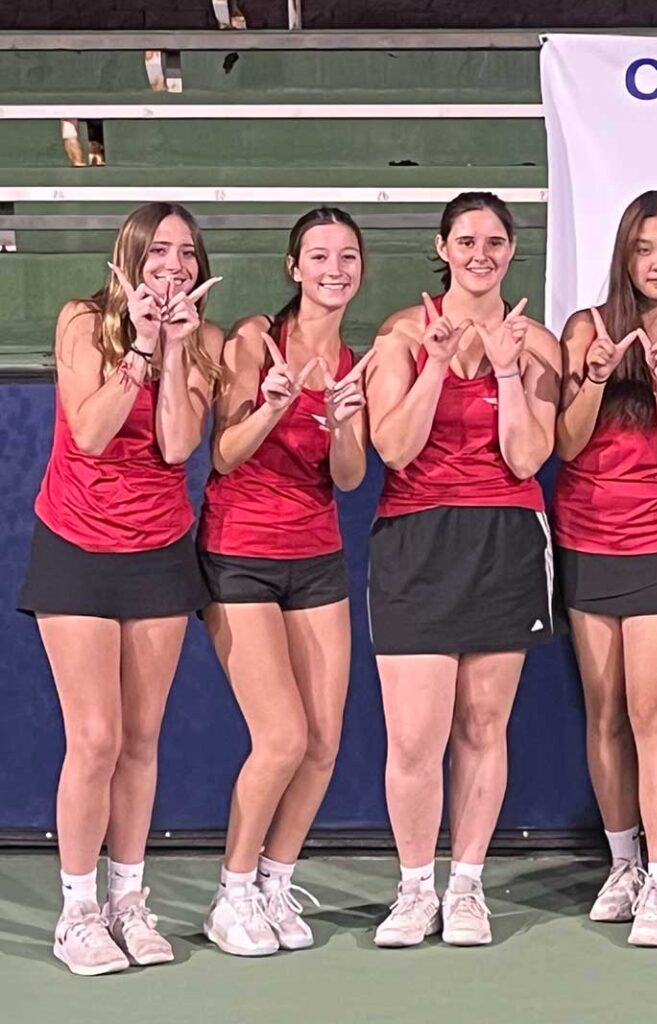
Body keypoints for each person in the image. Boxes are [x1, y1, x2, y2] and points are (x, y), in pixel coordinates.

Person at [19, 202, 223, 976]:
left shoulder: (203, 340)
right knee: (96, 737)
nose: (173, 265)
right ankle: (77, 912)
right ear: (131, 256)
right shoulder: (84, 321)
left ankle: (127, 901)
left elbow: (175, 444)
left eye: (186, 255)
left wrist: (172, 349)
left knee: (140, 738)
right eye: (160, 251)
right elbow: (93, 429)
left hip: (160, 551)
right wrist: (138, 344)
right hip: (75, 544)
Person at [362, 192, 562, 949]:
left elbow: (526, 457)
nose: (481, 254)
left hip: (505, 537)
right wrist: (439, 363)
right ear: (442, 248)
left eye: (495, 242)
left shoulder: (537, 344)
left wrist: (509, 373)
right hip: (416, 539)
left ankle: (468, 887)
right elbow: (395, 449)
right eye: (467, 240)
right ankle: (416, 889)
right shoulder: (400, 338)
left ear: (513, 252)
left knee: (483, 724)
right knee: (415, 736)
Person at [198, 207, 370, 956]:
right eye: (320, 257)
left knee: (324, 743)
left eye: (348, 257)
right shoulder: (251, 341)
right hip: (238, 552)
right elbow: (227, 455)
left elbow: (352, 478)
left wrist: (338, 422)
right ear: (294, 268)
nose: (335, 269)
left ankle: (274, 881)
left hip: (318, 557)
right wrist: (272, 405)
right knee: (282, 737)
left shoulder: (354, 359)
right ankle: (231, 893)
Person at [554, 190, 657, 947]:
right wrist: (590, 377)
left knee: (654, 711)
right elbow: (566, 445)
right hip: (586, 536)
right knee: (606, 710)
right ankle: (622, 863)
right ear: (624, 255)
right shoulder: (586, 327)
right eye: (646, 247)